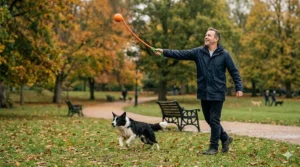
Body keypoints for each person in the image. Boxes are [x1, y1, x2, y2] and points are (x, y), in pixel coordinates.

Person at [154, 27, 243, 155]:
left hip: (218, 92)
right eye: (205, 35)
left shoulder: (224, 54)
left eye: (209, 35)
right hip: (204, 92)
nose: (206, 37)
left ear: (216, 39)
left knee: (214, 120)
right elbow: (181, 54)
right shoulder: (198, 52)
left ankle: (213, 147)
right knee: (208, 119)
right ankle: (225, 138)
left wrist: (239, 87)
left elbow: (234, 71)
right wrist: (164, 52)